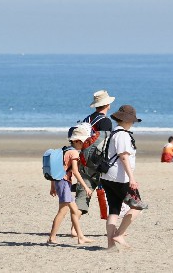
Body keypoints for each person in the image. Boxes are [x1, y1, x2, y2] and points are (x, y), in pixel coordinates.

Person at [100, 105, 147, 249]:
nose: (132, 123)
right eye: (132, 120)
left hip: (107, 177)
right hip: (119, 178)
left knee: (114, 209)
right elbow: (124, 157)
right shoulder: (123, 135)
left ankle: (110, 245)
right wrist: (132, 178)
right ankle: (119, 234)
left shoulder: (113, 132)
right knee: (137, 206)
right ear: (127, 120)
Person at [71, 90, 115, 237]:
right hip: (98, 162)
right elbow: (106, 143)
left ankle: (73, 228)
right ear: (107, 104)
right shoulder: (106, 121)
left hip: (83, 159)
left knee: (83, 193)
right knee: (109, 194)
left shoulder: (87, 119)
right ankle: (112, 228)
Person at [48, 124, 95, 245]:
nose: (85, 144)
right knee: (73, 210)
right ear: (78, 141)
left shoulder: (65, 149)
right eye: (84, 142)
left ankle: (53, 238)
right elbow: (75, 171)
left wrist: (53, 186)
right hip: (64, 183)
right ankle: (80, 237)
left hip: (60, 182)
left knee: (63, 211)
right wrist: (85, 187)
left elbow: (56, 169)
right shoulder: (74, 153)